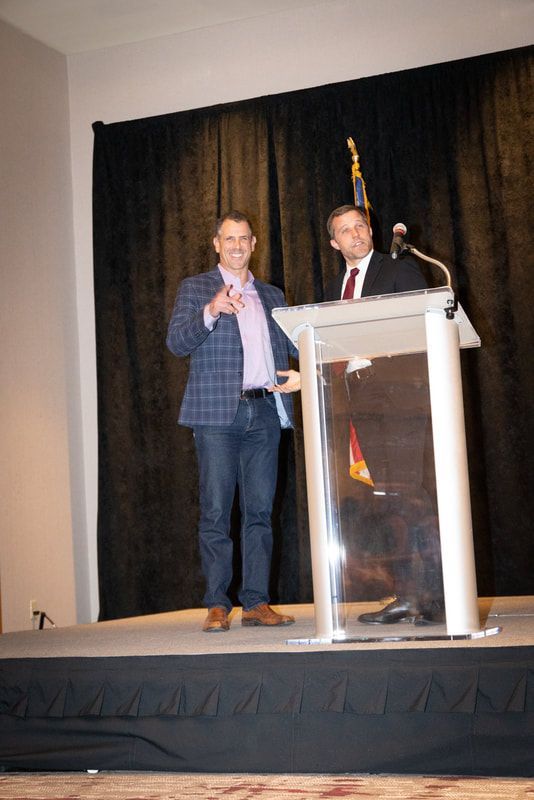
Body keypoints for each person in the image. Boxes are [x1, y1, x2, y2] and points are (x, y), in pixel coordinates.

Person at [166, 210, 300, 633]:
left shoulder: (274, 296)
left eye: (244, 238)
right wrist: (210, 310)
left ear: (254, 244)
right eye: (230, 239)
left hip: (264, 411)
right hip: (216, 416)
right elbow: (176, 343)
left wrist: (304, 371)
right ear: (216, 244)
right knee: (216, 512)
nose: (237, 245)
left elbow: (296, 343)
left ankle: (257, 602)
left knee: (260, 512)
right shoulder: (196, 288)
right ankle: (217, 604)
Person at [324, 204, 444, 625]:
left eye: (360, 225)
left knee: (412, 497)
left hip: (397, 395)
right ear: (334, 242)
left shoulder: (398, 268)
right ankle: (408, 594)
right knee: (391, 501)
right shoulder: (339, 284)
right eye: (345, 230)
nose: (356, 233)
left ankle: (432, 597)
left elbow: (422, 324)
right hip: (360, 397)